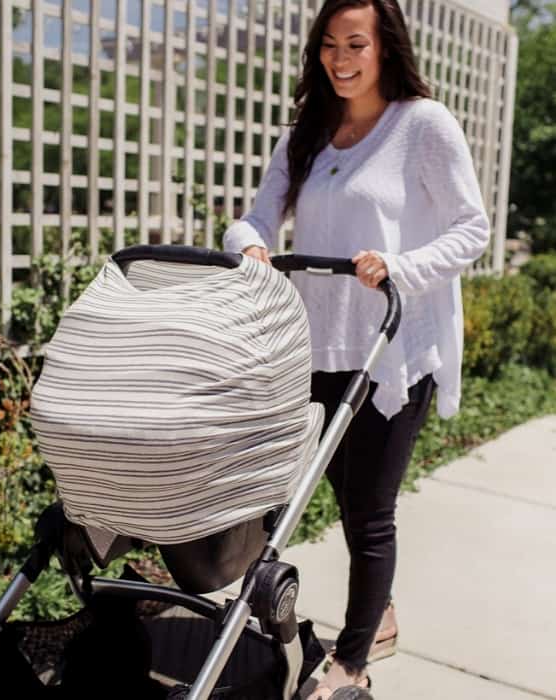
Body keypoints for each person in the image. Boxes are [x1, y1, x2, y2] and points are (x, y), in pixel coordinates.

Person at [222, 0, 490, 696]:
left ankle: (353, 661)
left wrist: (401, 266)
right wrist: (249, 242)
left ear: (384, 47)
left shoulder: (421, 125)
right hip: (317, 345)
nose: (341, 60)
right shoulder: (308, 133)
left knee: (369, 512)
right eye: (330, 46)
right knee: (326, 492)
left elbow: (471, 228)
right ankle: (383, 614)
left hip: (392, 347)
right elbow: (258, 212)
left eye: (356, 44)